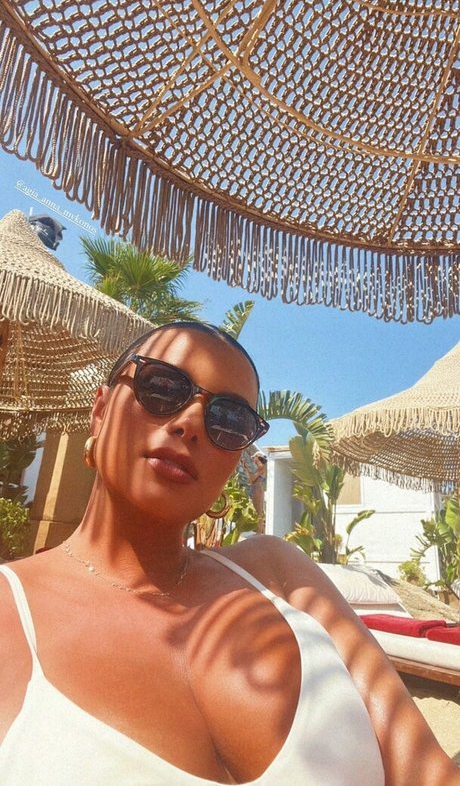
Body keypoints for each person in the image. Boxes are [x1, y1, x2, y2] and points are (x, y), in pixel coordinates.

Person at [0, 321, 458, 785]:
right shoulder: (8, 612)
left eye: (230, 420)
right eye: (161, 387)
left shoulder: (278, 574)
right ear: (100, 412)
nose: (191, 424)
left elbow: (429, 772)